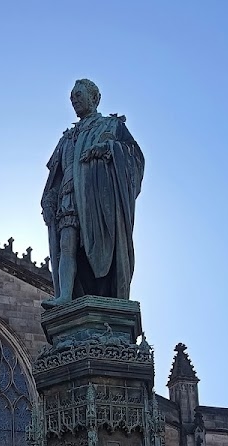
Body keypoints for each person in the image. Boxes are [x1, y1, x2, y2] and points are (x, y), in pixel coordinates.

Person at [41, 78, 145, 309]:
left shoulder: (111, 126)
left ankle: (104, 296)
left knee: (94, 250)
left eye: (78, 95)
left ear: (95, 98)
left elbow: (135, 157)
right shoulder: (66, 138)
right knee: (66, 245)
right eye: (71, 97)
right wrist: (49, 196)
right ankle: (65, 296)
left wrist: (108, 149)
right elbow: (56, 174)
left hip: (96, 199)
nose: (74, 100)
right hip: (68, 195)